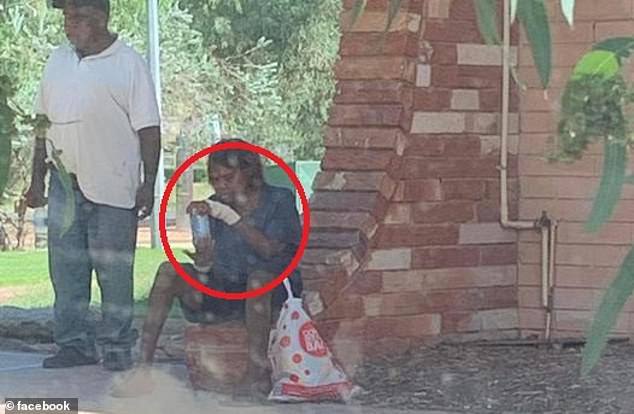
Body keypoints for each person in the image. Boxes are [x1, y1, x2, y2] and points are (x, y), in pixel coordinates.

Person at [24, 0, 161, 371]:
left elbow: (149, 130)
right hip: (64, 185)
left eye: (78, 17)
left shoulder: (128, 63)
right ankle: (74, 344)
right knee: (66, 269)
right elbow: (41, 124)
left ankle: (116, 346)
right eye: (66, 18)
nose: (69, 25)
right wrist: (36, 178)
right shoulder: (57, 60)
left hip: (113, 185)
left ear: (101, 18)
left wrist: (148, 184)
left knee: (113, 271)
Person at [114, 140, 303, 399]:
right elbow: (210, 267)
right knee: (170, 271)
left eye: (228, 177)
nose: (222, 185)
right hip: (226, 288)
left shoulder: (278, 199)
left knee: (258, 280)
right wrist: (203, 258)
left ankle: (257, 375)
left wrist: (228, 215)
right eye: (215, 179)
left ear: (250, 172)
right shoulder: (215, 204)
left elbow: (269, 250)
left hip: (270, 291)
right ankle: (143, 368)